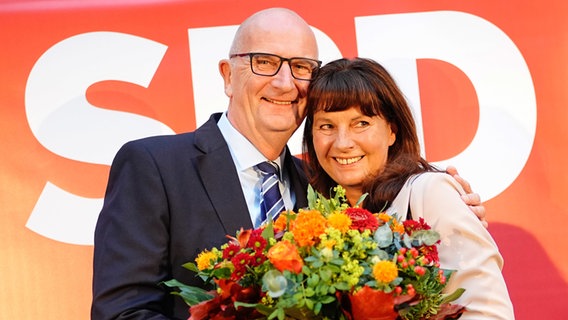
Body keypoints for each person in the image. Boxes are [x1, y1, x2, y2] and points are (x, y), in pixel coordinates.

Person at [91, 8, 485, 320]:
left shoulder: (327, 186)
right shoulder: (153, 166)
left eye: (301, 67)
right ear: (228, 75)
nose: (284, 83)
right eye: (264, 62)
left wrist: (449, 214)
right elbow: (122, 312)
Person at [302, 57, 514, 319]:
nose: (343, 142)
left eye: (361, 124)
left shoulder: (430, 192)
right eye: (327, 126)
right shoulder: (315, 218)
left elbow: (489, 312)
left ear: (392, 130)